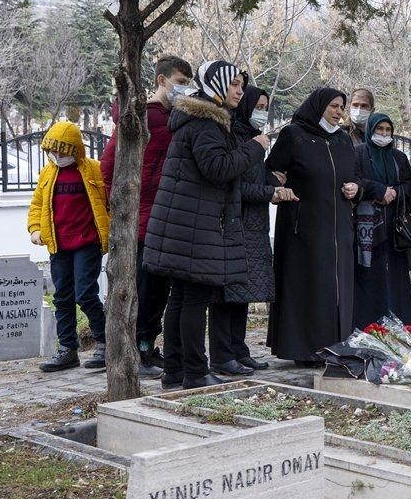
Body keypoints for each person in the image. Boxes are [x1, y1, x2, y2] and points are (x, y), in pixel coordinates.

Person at [144, 61, 269, 389]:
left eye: (241, 86)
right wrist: (255, 148)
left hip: (183, 225)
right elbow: (219, 168)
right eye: (234, 85)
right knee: (194, 301)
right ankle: (196, 372)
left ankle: (175, 371)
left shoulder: (198, 118)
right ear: (216, 85)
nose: (240, 92)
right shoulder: (206, 122)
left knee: (181, 299)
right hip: (194, 227)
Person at [101, 54, 194, 377]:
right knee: (143, 287)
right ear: (161, 80)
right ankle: (134, 351)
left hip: (163, 215)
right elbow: (109, 167)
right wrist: (121, 207)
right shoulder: (143, 117)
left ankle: (147, 347)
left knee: (157, 290)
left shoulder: (175, 118)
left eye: (187, 84)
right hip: (141, 218)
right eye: (180, 82)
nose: (183, 89)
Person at [266, 88, 360, 366]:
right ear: (318, 106)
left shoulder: (342, 140)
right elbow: (269, 172)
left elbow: (356, 176)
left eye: (341, 107)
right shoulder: (294, 135)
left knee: (336, 290)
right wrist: (275, 185)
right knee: (309, 288)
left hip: (339, 228)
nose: (339, 112)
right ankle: (304, 349)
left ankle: (335, 345)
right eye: (333, 106)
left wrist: (357, 188)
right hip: (303, 229)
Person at [208, 85, 297, 377]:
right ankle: (222, 355)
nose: (262, 112)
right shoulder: (233, 136)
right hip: (235, 224)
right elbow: (233, 186)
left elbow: (253, 178)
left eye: (265, 107)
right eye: (257, 106)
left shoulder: (252, 137)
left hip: (253, 225)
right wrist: (269, 191)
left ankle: (239, 350)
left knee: (242, 293)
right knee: (226, 295)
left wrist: (270, 180)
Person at [29, 122, 111, 372]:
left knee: (85, 293)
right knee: (62, 297)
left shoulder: (94, 169)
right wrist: (35, 229)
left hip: (87, 243)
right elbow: (37, 204)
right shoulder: (48, 173)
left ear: (74, 149)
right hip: (58, 244)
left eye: (61, 151)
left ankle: (105, 343)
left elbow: (109, 200)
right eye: (52, 151)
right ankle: (67, 349)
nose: (56, 156)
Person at [353, 113, 411, 327]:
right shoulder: (358, 153)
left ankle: (400, 323)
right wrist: (378, 191)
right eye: (379, 129)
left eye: (388, 130)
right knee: (369, 276)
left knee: (396, 278)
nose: (384, 134)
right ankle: (369, 325)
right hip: (367, 229)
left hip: (395, 229)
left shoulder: (398, 157)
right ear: (370, 130)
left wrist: (395, 192)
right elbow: (353, 180)